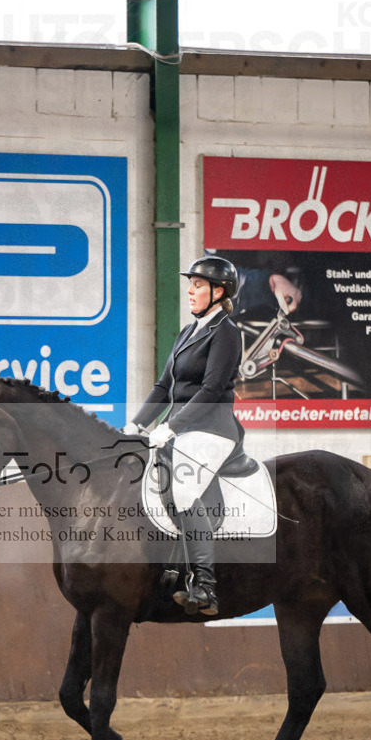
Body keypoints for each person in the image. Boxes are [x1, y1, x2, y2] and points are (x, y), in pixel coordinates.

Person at [122, 256, 245, 616]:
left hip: (213, 429)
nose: (189, 291)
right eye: (189, 284)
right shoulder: (187, 332)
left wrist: (171, 427)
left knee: (185, 487)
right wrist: (135, 426)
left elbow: (211, 390)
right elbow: (164, 386)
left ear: (217, 291)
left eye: (198, 285)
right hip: (180, 428)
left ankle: (204, 584)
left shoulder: (227, 333)